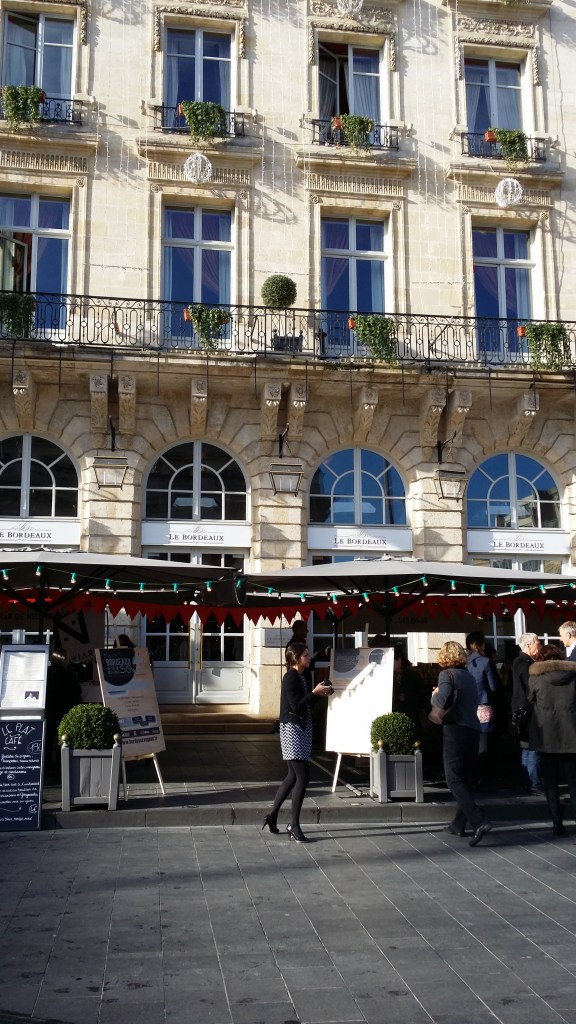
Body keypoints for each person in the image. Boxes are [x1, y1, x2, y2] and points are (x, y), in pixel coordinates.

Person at [263, 643, 333, 843]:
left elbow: (306, 702)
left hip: (300, 727)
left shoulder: (301, 675)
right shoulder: (291, 677)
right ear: (296, 658)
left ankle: (273, 816)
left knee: (292, 776)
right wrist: (315, 693)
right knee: (303, 777)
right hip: (292, 729)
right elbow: (295, 705)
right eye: (305, 655)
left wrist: (320, 693)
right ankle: (293, 825)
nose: (309, 658)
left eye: (309, 655)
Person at [431, 640, 492, 846]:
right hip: (474, 729)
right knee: (464, 777)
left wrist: (434, 696)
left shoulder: (446, 675)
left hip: (456, 729)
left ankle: (478, 820)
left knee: (453, 778)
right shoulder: (468, 675)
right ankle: (458, 824)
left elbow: (443, 701)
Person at [528, 643, 576, 836]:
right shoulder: (573, 677)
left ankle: (557, 822)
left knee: (550, 782)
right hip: (572, 735)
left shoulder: (536, 679)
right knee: (574, 782)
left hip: (546, 737)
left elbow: (528, 701)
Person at [465, 631, 500, 791]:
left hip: (468, 707)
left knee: (470, 743)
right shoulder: (486, 662)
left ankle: (470, 776)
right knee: (484, 743)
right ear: (481, 645)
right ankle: (483, 779)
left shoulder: (464, 662)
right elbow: (493, 687)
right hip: (484, 704)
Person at [511, 632, 543, 793]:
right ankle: (534, 783)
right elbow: (531, 691)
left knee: (526, 748)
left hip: (520, 710)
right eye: (538, 642)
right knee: (533, 748)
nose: (540, 645)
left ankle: (527, 781)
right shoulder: (528, 664)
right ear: (529, 645)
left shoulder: (518, 662)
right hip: (530, 712)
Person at [44, 648, 82, 779]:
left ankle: (46, 769)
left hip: (49, 712)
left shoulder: (46, 674)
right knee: (63, 741)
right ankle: (62, 769)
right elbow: (77, 691)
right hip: (64, 713)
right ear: (65, 659)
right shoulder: (69, 674)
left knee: (47, 742)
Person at [392, 647, 427, 734]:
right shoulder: (387, 676)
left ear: (399, 660)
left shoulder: (413, 676)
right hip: (393, 718)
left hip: (410, 717)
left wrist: (407, 697)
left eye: (392, 661)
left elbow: (422, 696)